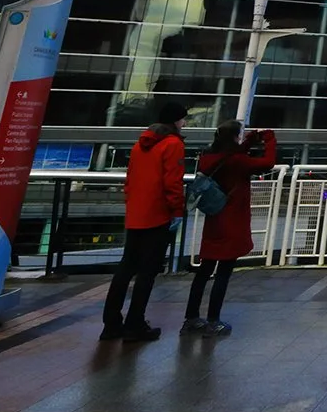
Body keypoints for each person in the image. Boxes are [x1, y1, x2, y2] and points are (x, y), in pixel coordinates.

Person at [100, 100, 188, 343]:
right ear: (176, 121)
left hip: (136, 214)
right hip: (158, 215)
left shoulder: (140, 145)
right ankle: (135, 323)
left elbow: (129, 180)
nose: (185, 122)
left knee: (125, 268)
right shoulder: (173, 145)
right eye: (183, 118)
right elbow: (173, 183)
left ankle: (111, 323)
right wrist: (177, 211)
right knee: (147, 272)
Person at [183, 121, 277, 337]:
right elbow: (268, 163)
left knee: (204, 271)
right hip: (232, 220)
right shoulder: (238, 162)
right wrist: (270, 139)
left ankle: (191, 318)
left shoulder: (210, 158)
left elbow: (231, 158)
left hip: (214, 220)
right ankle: (213, 320)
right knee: (224, 272)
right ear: (234, 137)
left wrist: (247, 142)